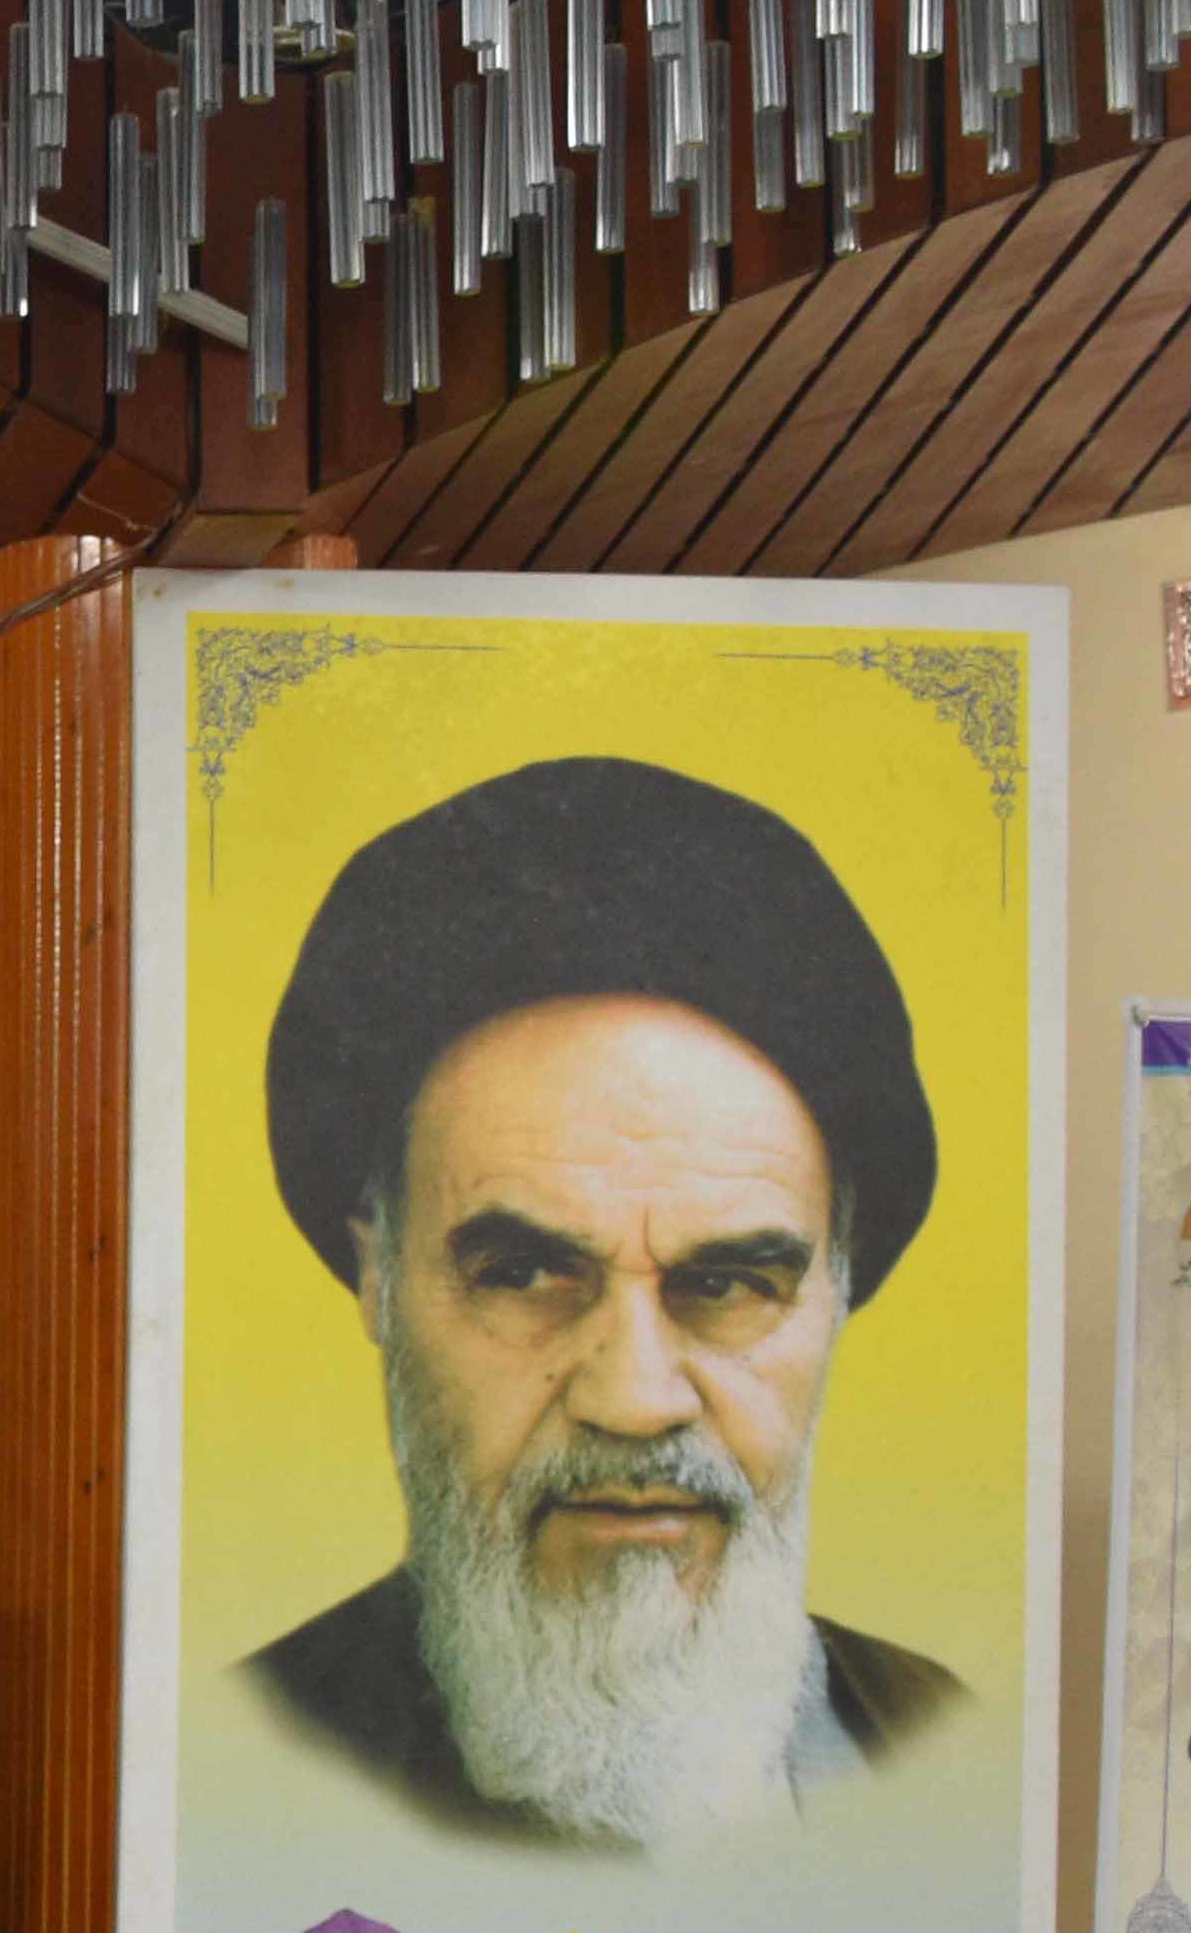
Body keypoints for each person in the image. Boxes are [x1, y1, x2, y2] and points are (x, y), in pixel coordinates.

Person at [239, 757, 964, 1849]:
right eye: (526, 1275)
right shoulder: (248, 1763)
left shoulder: (939, 1739)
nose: (633, 1400)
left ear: (838, 1286)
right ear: (379, 1277)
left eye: (724, 1285)